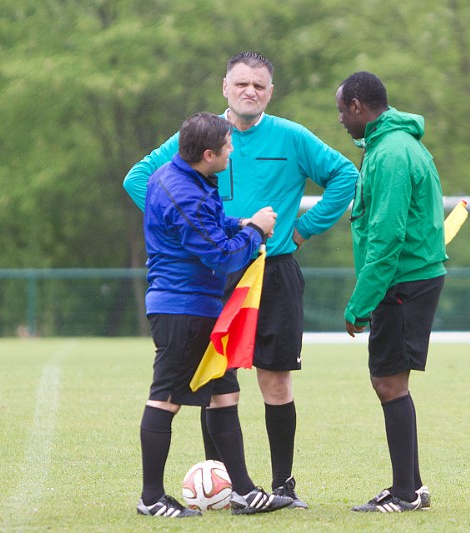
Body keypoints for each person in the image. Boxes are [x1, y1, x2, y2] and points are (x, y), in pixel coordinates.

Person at [124, 51, 359, 508]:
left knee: (274, 380)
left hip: (273, 269)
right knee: (216, 381)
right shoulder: (200, 135)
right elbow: (139, 179)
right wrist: (192, 231)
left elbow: (345, 175)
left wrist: (303, 229)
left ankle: (282, 487)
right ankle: (227, 487)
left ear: (270, 92)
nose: (249, 91)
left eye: (259, 85)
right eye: (241, 83)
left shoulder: (291, 136)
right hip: (215, 270)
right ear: (225, 87)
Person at [136, 112, 294, 518]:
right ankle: (151, 498)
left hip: (203, 309)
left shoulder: (187, 176)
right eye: (227, 147)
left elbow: (210, 222)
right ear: (208, 154)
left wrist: (237, 221)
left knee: (225, 394)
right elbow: (223, 256)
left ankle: (242, 492)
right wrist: (255, 230)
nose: (232, 151)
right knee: (165, 398)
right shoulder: (181, 191)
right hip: (181, 310)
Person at [335, 72, 447, 513]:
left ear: (359, 106)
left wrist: (359, 305)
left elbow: (386, 237)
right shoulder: (390, 146)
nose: (341, 119)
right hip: (405, 279)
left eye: (343, 110)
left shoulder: (394, 153)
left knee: (388, 382)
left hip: (403, 282)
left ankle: (406, 493)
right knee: (390, 381)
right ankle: (410, 486)